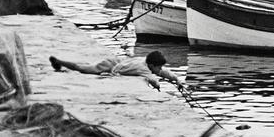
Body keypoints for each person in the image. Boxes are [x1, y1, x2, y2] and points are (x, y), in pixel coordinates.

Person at [48, 49, 183, 91]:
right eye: (158, 67)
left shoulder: (145, 62)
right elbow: (154, 79)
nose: (160, 70)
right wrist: (158, 86)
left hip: (117, 62)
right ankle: (59, 62)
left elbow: (164, 72)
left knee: (85, 66)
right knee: (83, 68)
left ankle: (60, 62)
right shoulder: (144, 69)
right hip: (111, 66)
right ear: (152, 65)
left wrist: (176, 79)